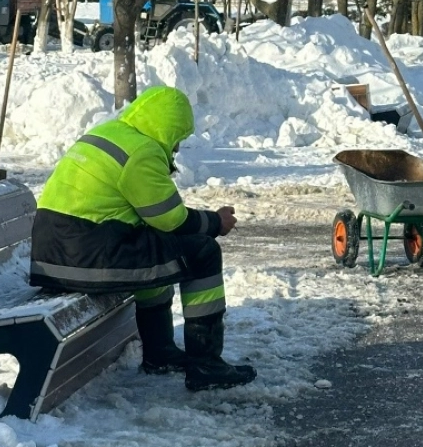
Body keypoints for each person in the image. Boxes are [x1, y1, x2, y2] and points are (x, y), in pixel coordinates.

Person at [29, 85, 257, 392]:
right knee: (202, 251)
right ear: (167, 128)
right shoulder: (142, 152)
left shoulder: (109, 133)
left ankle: (160, 354)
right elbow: (170, 218)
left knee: (155, 247)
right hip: (87, 258)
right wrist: (216, 222)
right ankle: (206, 365)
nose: (177, 147)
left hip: (56, 256)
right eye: (178, 137)